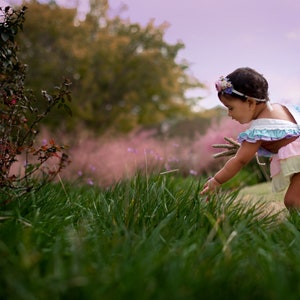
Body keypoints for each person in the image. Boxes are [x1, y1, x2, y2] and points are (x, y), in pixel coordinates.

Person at [200, 67, 300, 210]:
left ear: (250, 103)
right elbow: (290, 138)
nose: (229, 114)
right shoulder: (281, 108)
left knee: (293, 201)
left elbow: (239, 160)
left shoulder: (258, 131)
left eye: (230, 108)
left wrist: (217, 180)